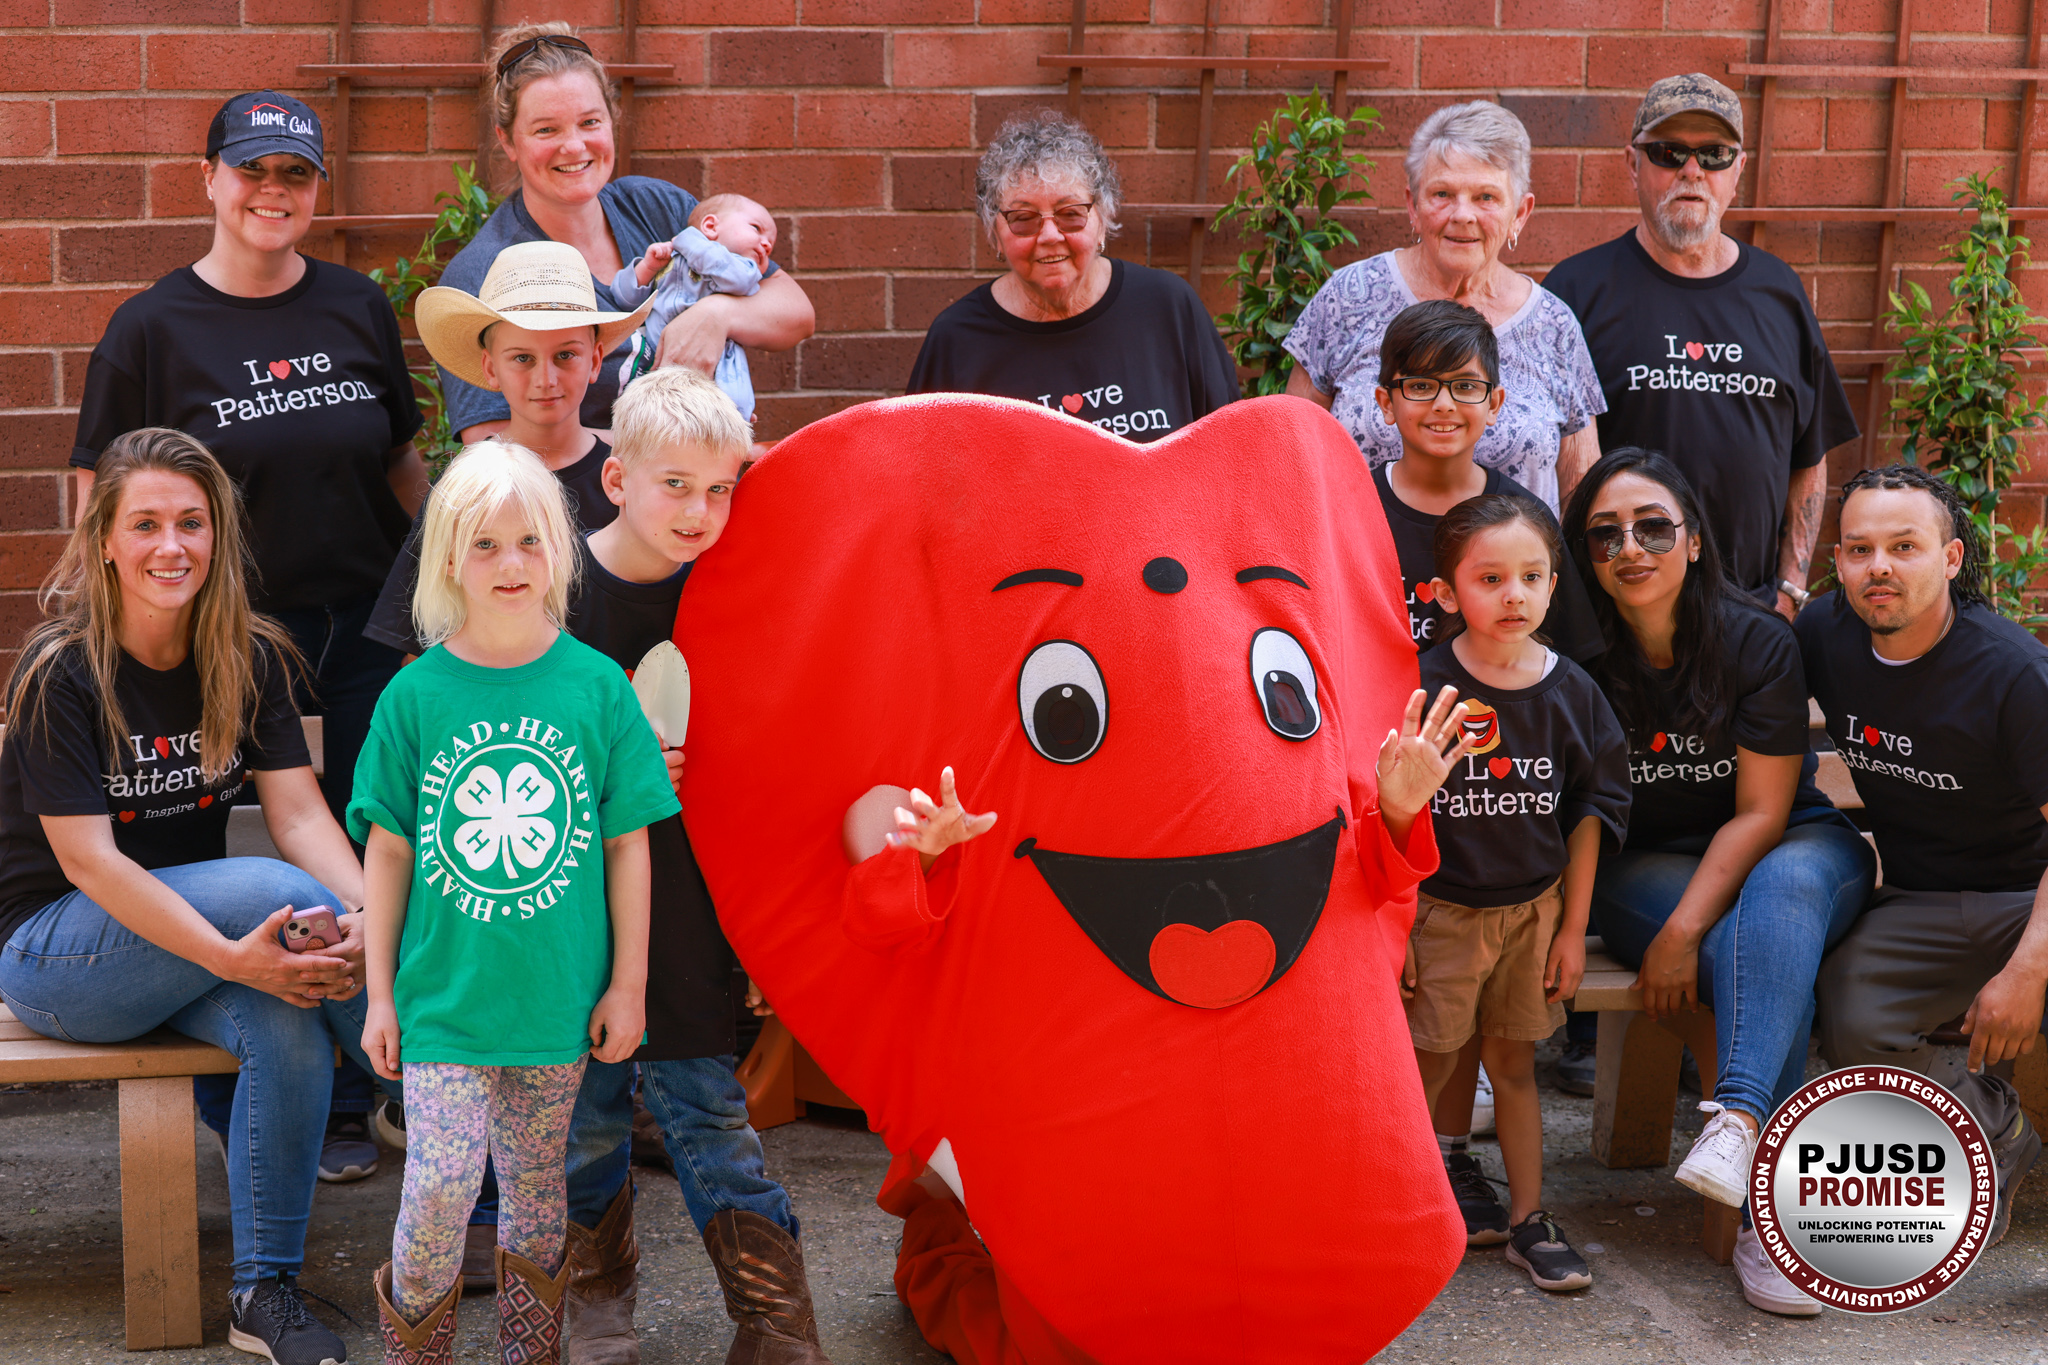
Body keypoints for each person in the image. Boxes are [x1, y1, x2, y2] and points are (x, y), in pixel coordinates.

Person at [70, 89, 427, 1185]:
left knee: (371, 839)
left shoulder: (357, 304)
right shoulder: (152, 327)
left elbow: (398, 461)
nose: (273, 192)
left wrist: (439, 580)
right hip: (224, 636)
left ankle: (371, 1077)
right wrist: (114, 632)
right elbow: (98, 491)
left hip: (364, 621)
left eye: (296, 175)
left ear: (316, 190)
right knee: (191, 854)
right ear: (211, 181)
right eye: (253, 171)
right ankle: (270, 1098)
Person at [0, 429, 386, 1365]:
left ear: (218, 536)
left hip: (193, 942)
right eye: (145, 524)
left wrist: (372, 920)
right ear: (104, 539)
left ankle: (265, 1292)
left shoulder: (244, 655)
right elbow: (93, 864)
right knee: (272, 893)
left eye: (191, 522)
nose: (170, 545)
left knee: (286, 1008)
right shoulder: (63, 671)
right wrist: (240, 952)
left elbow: (299, 816)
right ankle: (408, 1069)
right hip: (59, 957)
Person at [354, 442, 678, 1361]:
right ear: (448, 555)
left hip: (557, 1003)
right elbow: (388, 854)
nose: (509, 565)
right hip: (443, 1005)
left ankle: (528, 1355)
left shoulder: (597, 688)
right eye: (485, 544)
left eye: (530, 543)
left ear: (560, 554)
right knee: (441, 1185)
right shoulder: (414, 697)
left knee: (539, 1196)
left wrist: (629, 986)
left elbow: (629, 846)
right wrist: (378, 995)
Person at [539, 367, 833, 1363]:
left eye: (721, 489)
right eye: (676, 485)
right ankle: (594, 1304)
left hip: (694, 906)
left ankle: (776, 1323)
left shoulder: (740, 593)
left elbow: (783, 745)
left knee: (707, 1111)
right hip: (571, 906)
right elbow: (497, 752)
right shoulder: (547, 594)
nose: (701, 511)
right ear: (615, 479)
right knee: (583, 1120)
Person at [1561, 447, 1875, 1316]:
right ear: (1584, 557)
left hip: (1790, 840)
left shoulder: (1753, 639)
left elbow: (1763, 810)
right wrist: (1673, 920)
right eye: (1606, 533)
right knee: (1763, 947)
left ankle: (1735, 1125)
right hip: (1647, 863)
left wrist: (1674, 936)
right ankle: (1772, 1227)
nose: (1632, 545)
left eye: (1654, 525)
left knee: (1777, 905)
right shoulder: (1574, 653)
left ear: (1694, 540)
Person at [1804, 463, 2048, 1252]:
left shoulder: (2014, 672)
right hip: (1919, 899)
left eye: (1904, 546)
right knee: (1851, 1015)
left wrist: (2027, 971)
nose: (1880, 567)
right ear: (1837, 561)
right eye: (1860, 548)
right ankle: (1991, 1126)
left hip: (2030, 898)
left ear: (1949, 558)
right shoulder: (1823, 636)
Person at [1404, 494, 1629, 1288]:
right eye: (1491, 577)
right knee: (1425, 1065)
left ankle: (1530, 1219)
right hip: (1442, 915)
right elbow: (1389, 809)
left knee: (1516, 1065)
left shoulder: (1571, 691)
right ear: (1443, 592)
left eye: (1532, 576)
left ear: (1555, 582)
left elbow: (1593, 808)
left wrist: (1572, 927)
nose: (1515, 595)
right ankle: (1403, 1210)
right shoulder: (1422, 683)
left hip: (1534, 914)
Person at [1543, 73, 1859, 615]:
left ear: (1738, 170)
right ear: (1632, 163)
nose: (1692, 171)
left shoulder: (1779, 292)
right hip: (1618, 625)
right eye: (1669, 152)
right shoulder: (1573, 293)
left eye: (1713, 154)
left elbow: (1809, 454)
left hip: (1752, 620)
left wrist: (1789, 589)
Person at [439, 24, 814, 443]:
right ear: (507, 141)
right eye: (547, 130)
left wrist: (716, 316)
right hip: (583, 503)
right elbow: (493, 444)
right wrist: (676, 447)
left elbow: (795, 312)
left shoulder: (655, 206)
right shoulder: (486, 267)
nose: (575, 146)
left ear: (611, 121)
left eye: (589, 122)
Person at [1285, 101, 1604, 511]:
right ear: (1412, 205)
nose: (1462, 215)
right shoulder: (1349, 296)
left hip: (1512, 572)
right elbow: (1290, 456)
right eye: (1442, 194)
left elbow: (1582, 493)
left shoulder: (1555, 324)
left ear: (1520, 214)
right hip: (1363, 569)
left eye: (1486, 196)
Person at [368, 239, 653, 660]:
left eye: (565, 356)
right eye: (522, 358)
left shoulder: (629, 479)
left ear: (595, 360)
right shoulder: (464, 487)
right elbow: (418, 635)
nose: (546, 378)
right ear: (489, 367)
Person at [904, 110, 1239, 439]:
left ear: (1103, 218)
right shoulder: (957, 340)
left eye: (1070, 214)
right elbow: (921, 477)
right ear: (995, 231)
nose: (1050, 235)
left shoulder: (1168, 308)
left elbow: (1228, 450)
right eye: (1023, 218)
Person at [609, 193, 776, 420]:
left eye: (770, 247)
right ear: (709, 226)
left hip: (718, 380)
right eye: (757, 229)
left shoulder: (743, 269)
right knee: (659, 423)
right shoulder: (671, 258)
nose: (766, 245)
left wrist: (688, 241)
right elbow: (624, 299)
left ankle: (734, 429)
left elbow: (738, 278)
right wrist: (647, 268)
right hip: (661, 370)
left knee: (717, 424)